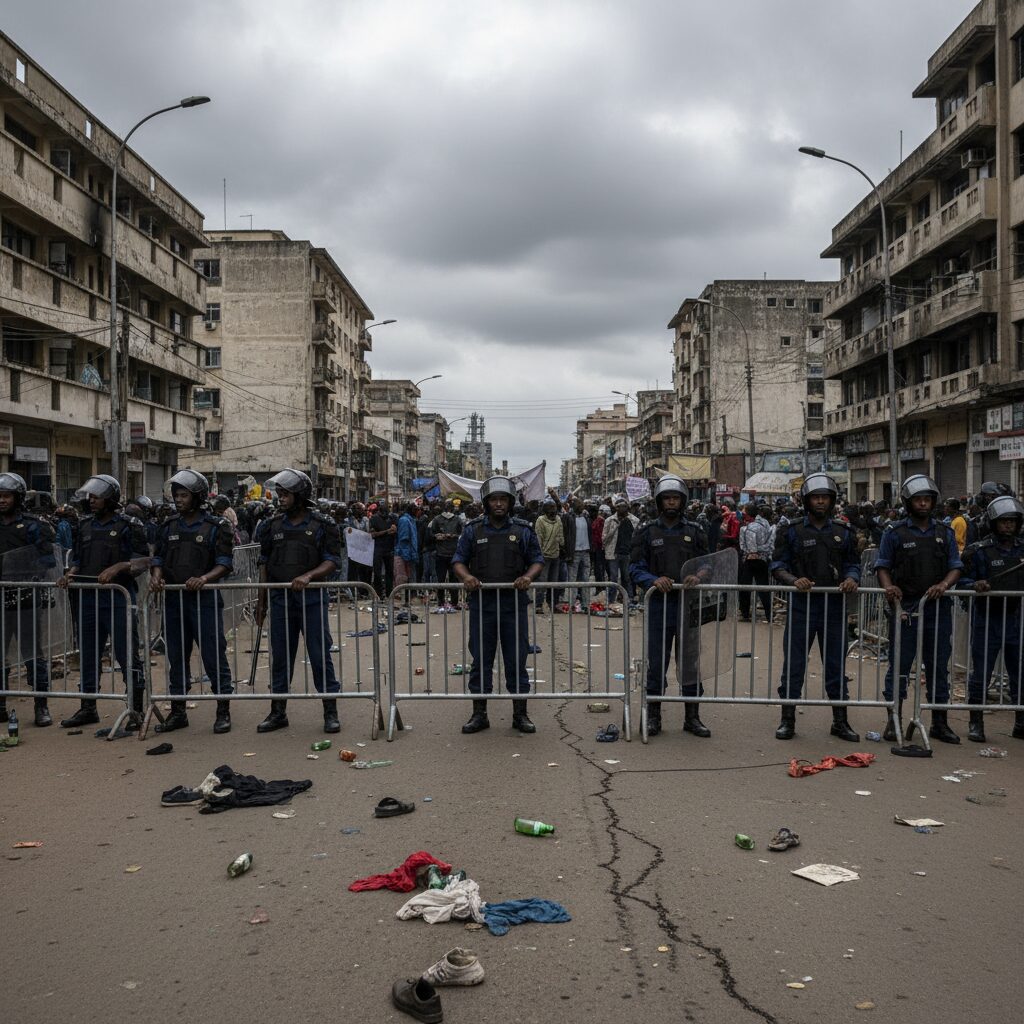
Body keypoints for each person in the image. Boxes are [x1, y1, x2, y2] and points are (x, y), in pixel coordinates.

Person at [770, 474, 860, 742]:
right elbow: (777, 566)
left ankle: (840, 721)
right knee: (794, 665)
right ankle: (787, 720)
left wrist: (852, 578)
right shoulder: (792, 531)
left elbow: (853, 564)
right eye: (816, 497)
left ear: (832, 501)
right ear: (807, 500)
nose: (820, 501)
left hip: (833, 608)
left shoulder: (844, 532)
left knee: (835, 665)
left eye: (825, 497)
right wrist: (793, 580)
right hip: (801, 607)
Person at [451, 475, 544, 735]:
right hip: (483, 606)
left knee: (516, 659)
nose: (499, 504)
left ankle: (520, 714)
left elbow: (537, 560)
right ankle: (479, 714)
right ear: (486, 502)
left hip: (513, 605)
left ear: (511, 502)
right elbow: (458, 560)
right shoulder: (473, 530)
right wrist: (466, 576)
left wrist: (528, 576)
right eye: (495, 500)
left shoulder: (523, 530)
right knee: (481, 660)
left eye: (504, 499)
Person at [875, 474, 963, 744]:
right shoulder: (894, 532)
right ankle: (894, 720)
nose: (923, 504)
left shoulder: (944, 533)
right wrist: (890, 588)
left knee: (938, 667)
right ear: (908, 502)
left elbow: (955, 567)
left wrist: (944, 585)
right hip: (906, 609)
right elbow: (882, 566)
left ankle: (939, 722)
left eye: (927, 499)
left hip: (936, 610)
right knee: (899, 667)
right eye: (918, 500)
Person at [254, 469, 342, 735]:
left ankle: (330, 711)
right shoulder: (271, 525)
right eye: (279, 493)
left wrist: (309, 575)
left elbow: (333, 561)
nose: (280, 498)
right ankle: (278, 711)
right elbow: (264, 565)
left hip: (312, 599)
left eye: (286, 494)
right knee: (280, 657)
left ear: (300, 495)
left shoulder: (323, 524)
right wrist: (261, 602)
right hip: (280, 599)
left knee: (319, 655)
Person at [57, 475, 148, 728]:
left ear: (111, 499)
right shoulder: (84, 526)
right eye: (90, 496)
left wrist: (119, 567)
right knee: (88, 653)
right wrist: (71, 572)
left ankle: (135, 710)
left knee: (126, 653)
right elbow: (77, 558)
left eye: (97, 496)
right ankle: (88, 707)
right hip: (88, 599)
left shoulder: (130, 525)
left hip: (119, 599)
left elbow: (144, 561)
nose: (91, 500)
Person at [150, 470, 235, 734]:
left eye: (184, 495)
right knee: (176, 657)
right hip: (174, 602)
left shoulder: (216, 526)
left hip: (204, 601)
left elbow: (225, 563)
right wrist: (156, 577)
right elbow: (159, 559)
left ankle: (223, 711)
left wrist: (204, 578)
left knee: (213, 655)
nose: (178, 500)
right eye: (176, 495)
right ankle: (178, 712)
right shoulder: (169, 526)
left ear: (197, 496)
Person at [629, 474, 712, 738]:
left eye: (676, 498)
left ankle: (692, 717)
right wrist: (653, 580)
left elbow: (708, 562)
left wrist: (698, 576)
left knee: (690, 663)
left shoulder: (695, 531)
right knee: (657, 663)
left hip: (687, 607)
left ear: (683, 500)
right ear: (659, 501)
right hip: (659, 607)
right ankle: (653, 716)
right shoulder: (646, 531)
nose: (672, 503)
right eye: (667, 498)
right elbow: (634, 568)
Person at [960, 495, 1024, 743]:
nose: (1008, 526)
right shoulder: (980, 551)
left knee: (1019, 673)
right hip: (987, 620)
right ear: (993, 523)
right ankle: (976, 722)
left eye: (1012, 521)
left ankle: (1020, 722)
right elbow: (962, 579)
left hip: (1015, 620)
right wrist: (975, 584)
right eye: (1003, 521)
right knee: (981, 675)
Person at [0, 472, 55, 727]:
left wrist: (29, 572)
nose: (2, 501)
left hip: (26, 600)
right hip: (1, 600)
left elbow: (47, 560)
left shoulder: (34, 525)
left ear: (18, 497)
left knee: (33, 654)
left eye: (6, 496)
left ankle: (41, 704)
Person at [738, 505, 774, 623]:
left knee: (745, 587)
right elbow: (770, 541)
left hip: (750, 559)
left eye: (744, 512)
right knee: (764, 587)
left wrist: (752, 552)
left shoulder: (748, 528)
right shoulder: (765, 524)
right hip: (763, 560)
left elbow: (748, 547)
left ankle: (745, 613)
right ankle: (769, 614)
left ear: (748, 514)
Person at [603, 497, 639, 604]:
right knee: (613, 578)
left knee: (626, 577)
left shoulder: (634, 520)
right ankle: (611, 600)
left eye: (624, 507)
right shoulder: (610, 521)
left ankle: (629, 599)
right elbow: (604, 539)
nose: (621, 509)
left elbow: (637, 537)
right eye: (619, 507)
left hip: (627, 553)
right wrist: (615, 528)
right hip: (613, 553)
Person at [428, 500, 463, 607]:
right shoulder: (437, 519)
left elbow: (461, 534)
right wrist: (438, 536)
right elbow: (431, 534)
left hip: (453, 554)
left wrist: (453, 536)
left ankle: (454, 602)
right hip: (441, 553)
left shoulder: (458, 519)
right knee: (441, 579)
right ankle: (441, 601)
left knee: (454, 579)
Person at [533, 496, 564, 612]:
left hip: (555, 555)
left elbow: (560, 536)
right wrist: (539, 554)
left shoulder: (558, 519)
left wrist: (562, 544)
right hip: (544, 556)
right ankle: (539, 605)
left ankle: (553, 604)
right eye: (550, 509)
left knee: (554, 581)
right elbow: (538, 537)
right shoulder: (540, 520)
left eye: (554, 508)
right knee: (542, 581)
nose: (553, 511)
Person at [370, 502, 397, 597]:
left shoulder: (391, 518)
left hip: (389, 548)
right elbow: (373, 534)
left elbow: (395, 531)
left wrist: (394, 530)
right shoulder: (374, 519)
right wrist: (387, 531)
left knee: (389, 573)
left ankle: (389, 594)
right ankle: (379, 594)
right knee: (377, 573)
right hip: (378, 548)